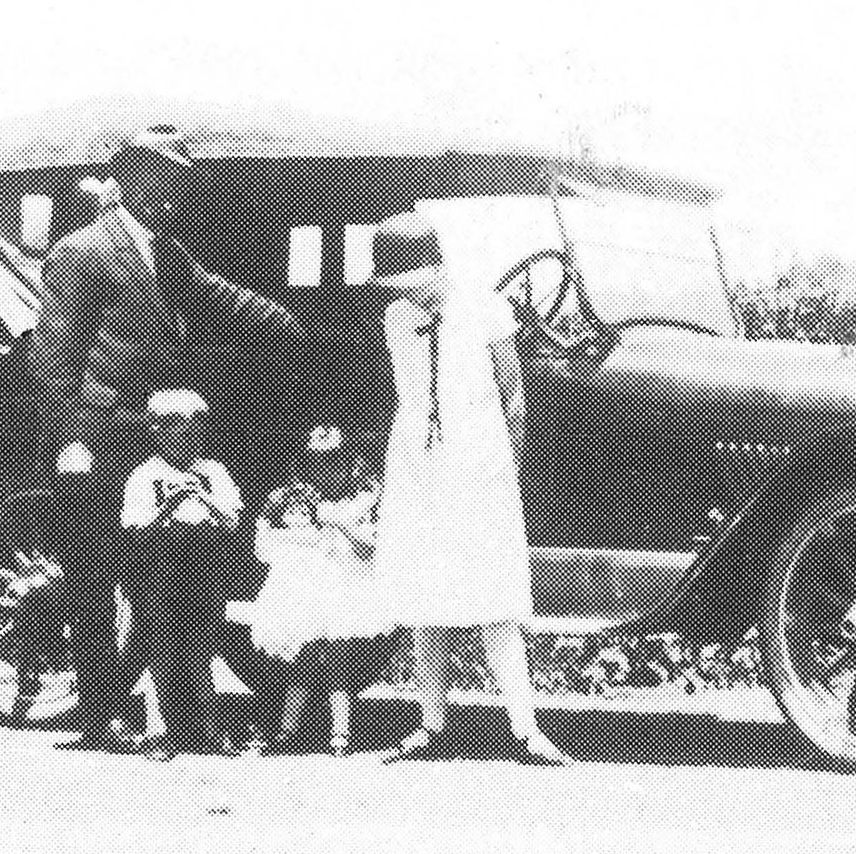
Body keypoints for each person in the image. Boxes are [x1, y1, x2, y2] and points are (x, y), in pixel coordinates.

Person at [18, 124, 306, 751]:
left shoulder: (168, 250)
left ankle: (182, 717)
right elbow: (52, 351)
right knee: (93, 574)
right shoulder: (79, 250)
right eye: (156, 179)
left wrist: (285, 320)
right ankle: (98, 714)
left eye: (171, 181)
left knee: (170, 578)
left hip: (163, 433)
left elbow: (219, 295)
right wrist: (71, 434)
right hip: (99, 433)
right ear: (127, 181)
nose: (167, 192)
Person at [367, 211, 570, 766]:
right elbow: (410, 394)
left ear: (442, 270)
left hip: (479, 465)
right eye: (400, 287)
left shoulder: (486, 307)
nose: (413, 296)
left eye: (421, 284)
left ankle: (526, 728)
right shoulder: (395, 316)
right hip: (417, 463)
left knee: (493, 596)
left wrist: (508, 466)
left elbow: (514, 397)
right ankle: (431, 724)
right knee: (427, 596)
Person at [119, 390, 244, 760]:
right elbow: (135, 526)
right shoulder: (146, 475)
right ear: (158, 430)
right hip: (160, 569)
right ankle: (159, 731)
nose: (190, 436)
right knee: (162, 650)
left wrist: (203, 499)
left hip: (204, 567)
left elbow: (233, 520)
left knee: (201, 652)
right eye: (178, 428)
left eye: (197, 428)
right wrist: (170, 505)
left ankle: (210, 731)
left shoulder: (212, 471)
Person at [252, 430, 393, 756]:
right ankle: (288, 731)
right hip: (305, 587)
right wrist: (304, 539)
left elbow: (371, 548)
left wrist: (336, 522)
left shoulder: (364, 498)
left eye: (334, 461)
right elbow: (266, 545)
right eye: (317, 462)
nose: (326, 470)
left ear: (347, 461)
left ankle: (340, 733)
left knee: (338, 658)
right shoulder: (290, 498)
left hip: (347, 586)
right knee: (304, 657)